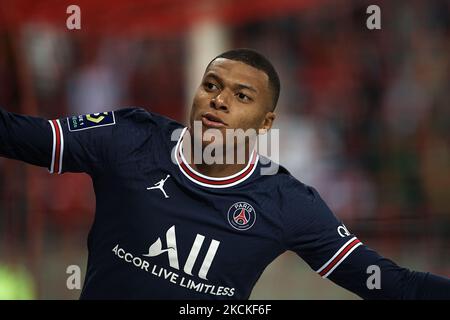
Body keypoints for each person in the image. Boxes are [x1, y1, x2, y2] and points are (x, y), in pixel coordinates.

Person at [1, 48, 449, 299]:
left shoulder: (286, 203)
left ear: (266, 121)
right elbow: (17, 135)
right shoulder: (130, 139)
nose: (219, 100)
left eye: (241, 95)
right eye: (211, 85)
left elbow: (391, 283)